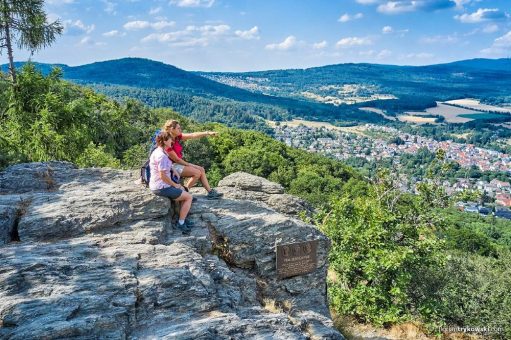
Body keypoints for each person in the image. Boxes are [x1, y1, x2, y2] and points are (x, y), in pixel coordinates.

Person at [163, 119, 223, 199]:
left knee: (201, 169)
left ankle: (210, 192)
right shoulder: (166, 142)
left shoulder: (176, 137)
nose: (180, 130)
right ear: (172, 129)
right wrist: (189, 165)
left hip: (177, 164)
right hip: (171, 166)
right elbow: (176, 159)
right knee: (197, 173)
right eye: (178, 128)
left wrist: (207, 133)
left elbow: (192, 135)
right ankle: (184, 192)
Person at [149, 131, 194, 233]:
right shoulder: (162, 156)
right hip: (162, 187)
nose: (172, 141)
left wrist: (173, 170)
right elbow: (163, 176)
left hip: (158, 184)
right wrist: (175, 185)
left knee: (184, 190)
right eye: (170, 139)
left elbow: (164, 168)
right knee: (188, 197)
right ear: (165, 141)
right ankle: (181, 223)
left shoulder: (158, 151)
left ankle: (182, 217)